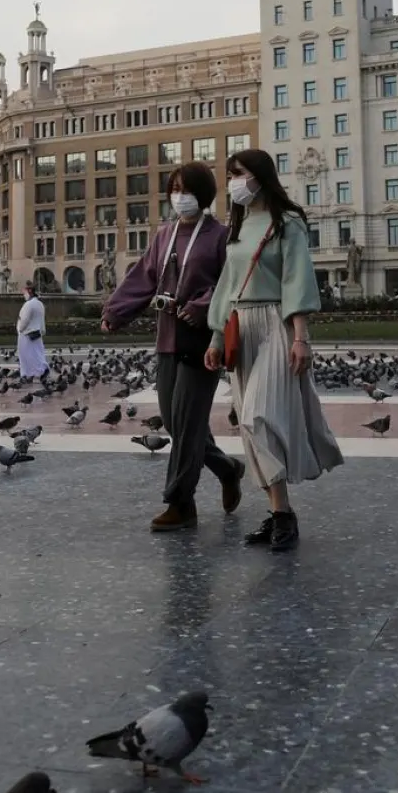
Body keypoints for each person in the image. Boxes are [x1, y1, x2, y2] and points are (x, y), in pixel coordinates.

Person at [205, 148, 344, 552]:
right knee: (249, 429)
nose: (233, 181)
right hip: (239, 328)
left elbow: (296, 280)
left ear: (260, 176)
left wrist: (301, 338)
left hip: (275, 324)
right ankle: (279, 512)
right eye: (229, 174)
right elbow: (226, 287)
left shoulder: (288, 223)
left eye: (239, 173)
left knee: (256, 417)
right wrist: (216, 338)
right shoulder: (238, 225)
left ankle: (283, 515)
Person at [102, 162, 244, 532]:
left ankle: (181, 504)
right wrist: (116, 312)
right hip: (167, 339)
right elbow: (143, 277)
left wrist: (200, 307)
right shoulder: (163, 236)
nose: (180, 195)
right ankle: (228, 469)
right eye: (175, 188)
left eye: (188, 188)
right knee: (177, 423)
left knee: (186, 424)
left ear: (206, 194)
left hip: (202, 344)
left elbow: (231, 285)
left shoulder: (220, 236)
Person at [16, 280, 48, 380]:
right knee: (38, 353)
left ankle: (27, 374)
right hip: (37, 332)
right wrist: (42, 330)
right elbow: (42, 318)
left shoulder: (28, 304)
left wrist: (20, 329)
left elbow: (24, 319)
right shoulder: (40, 304)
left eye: (24, 293)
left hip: (27, 334)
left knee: (25, 355)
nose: (23, 295)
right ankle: (42, 369)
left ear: (29, 292)